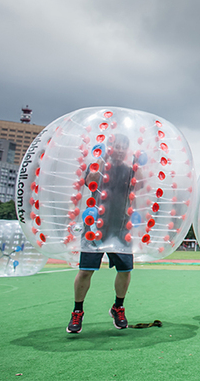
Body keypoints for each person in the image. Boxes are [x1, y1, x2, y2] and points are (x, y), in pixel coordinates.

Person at [68, 134, 138, 333]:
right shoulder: (98, 166)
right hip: (95, 226)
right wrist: (99, 159)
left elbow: (138, 189)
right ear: (109, 147)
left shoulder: (128, 170)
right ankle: (77, 311)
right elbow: (90, 180)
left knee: (125, 271)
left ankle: (118, 306)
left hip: (121, 227)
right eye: (116, 146)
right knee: (85, 270)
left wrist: (138, 168)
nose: (120, 150)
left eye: (124, 147)